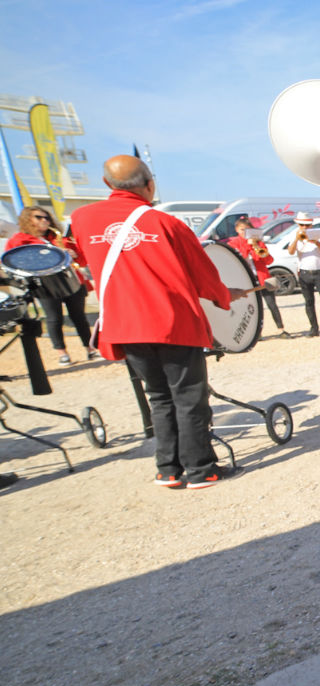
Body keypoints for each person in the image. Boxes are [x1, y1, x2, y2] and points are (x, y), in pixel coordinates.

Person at [71, 156, 249, 488]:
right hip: (173, 322)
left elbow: (81, 257)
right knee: (189, 397)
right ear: (150, 184)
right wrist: (225, 296)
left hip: (125, 325)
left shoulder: (81, 220)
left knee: (158, 396)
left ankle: (168, 469)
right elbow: (203, 275)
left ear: (107, 185)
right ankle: (201, 469)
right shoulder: (167, 224)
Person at [5, 206, 95, 366]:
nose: (44, 220)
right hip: (44, 285)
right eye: (39, 217)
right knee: (54, 318)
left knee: (79, 317)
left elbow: (82, 261)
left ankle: (90, 348)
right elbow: (11, 264)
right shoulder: (19, 240)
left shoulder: (59, 237)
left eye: (47, 217)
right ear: (28, 220)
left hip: (72, 281)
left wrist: (73, 254)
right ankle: (62, 353)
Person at [227, 216, 288, 338]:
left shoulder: (259, 242)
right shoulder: (233, 244)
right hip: (246, 280)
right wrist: (248, 246)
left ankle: (281, 329)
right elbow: (240, 258)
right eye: (242, 230)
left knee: (272, 305)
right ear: (237, 230)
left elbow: (269, 260)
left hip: (262, 278)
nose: (245, 233)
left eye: (248, 230)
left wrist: (257, 247)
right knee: (252, 308)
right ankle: (256, 334)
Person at [289, 212, 320, 336]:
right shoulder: (295, 235)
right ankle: (314, 328)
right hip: (305, 272)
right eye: (302, 225)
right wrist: (296, 239)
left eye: (307, 225)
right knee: (309, 302)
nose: (305, 228)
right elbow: (290, 251)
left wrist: (317, 243)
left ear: (311, 225)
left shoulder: (319, 235)